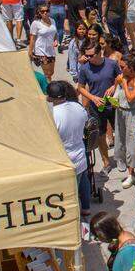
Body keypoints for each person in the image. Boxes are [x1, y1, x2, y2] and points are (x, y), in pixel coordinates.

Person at [48, 81, 93, 215]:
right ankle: (86, 208)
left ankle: (73, 215)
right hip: (80, 154)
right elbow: (86, 121)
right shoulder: (77, 106)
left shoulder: (52, 114)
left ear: (50, 97)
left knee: (69, 191)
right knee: (84, 181)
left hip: (65, 160)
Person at [77, 41, 120, 175]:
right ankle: (106, 162)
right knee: (101, 135)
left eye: (91, 56)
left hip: (112, 104)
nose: (88, 58)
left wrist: (114, 86)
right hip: (97, 106)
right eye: (86, 56)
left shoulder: (111, 64)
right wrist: (93, 98)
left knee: (119, 131)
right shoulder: (85, 69)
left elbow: (120, 77)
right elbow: (80, 88)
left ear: (99, 52)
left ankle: (121, 158)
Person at [112, 52, 135, 182]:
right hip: (121, 112)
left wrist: (124, 83)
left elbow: (131, 98)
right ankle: (124, 164)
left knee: (133, 144)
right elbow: (116, 91)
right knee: (121, 140)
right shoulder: (122, 77)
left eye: (123, 67)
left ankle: (131, 173)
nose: (120, 69)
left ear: (131, 67)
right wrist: (115, 86)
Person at [28, 5, 58, 78]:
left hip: (50, 50)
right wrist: (30, 52)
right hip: (41, 50)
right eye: (42, 11)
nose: (45, 13)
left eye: (47, 11)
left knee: (51, 72)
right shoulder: (36, 23)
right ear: (39, 13)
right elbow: (32, 38)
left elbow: (55, 33)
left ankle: (46, 86)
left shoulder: (52, 20)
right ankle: (48, 89)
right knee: (47, 74)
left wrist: (56, 40)